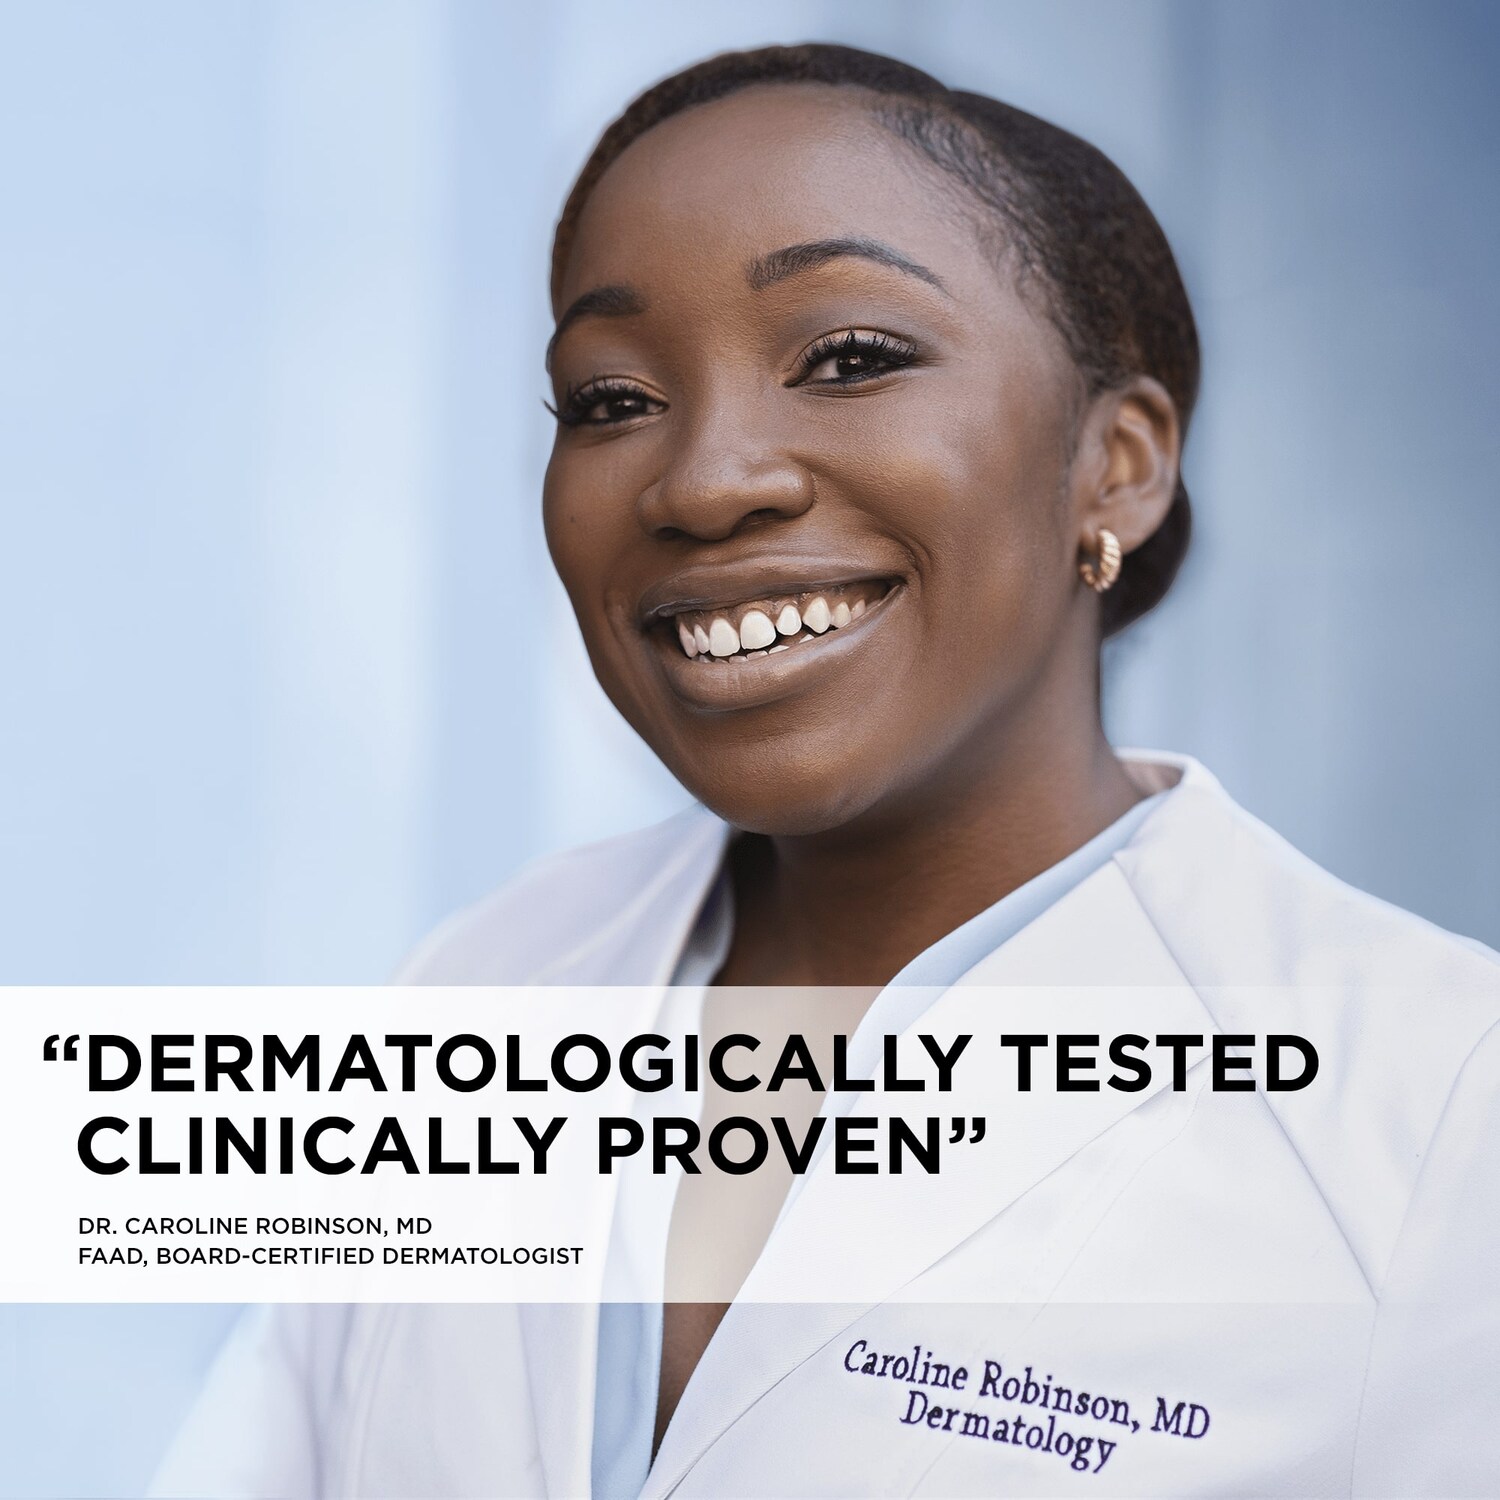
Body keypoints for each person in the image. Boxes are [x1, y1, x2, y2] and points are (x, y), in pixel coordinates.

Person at [152, 43, 1498, 1499]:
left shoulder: (1437, 1114)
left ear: (1116, 466)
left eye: (850, 358)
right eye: (610, 399)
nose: (704, 480)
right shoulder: (482, 988)